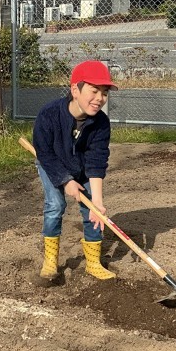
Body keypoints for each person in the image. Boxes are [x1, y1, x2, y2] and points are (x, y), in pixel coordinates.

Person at [32, 60, 117, 280]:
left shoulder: (101, 123)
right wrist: (65, 180)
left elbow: (97, 160)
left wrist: (97, 201)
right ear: (75, 90)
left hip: (83, 167)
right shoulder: (49, 114)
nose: (99, 98)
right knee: (55, 205)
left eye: (104, 92)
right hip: (52, 164)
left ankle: (93, 263)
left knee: (93, 212)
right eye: (94, 90)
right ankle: (51, 261)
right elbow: (44, 153)